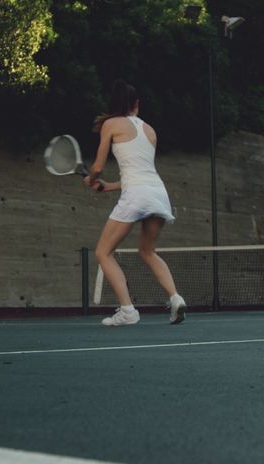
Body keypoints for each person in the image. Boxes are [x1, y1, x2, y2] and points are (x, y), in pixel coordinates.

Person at [84, 79, 186, 326]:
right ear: (136, 104)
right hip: (158, 193)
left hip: (137, 194)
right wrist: (109, 186)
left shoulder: (111, 124)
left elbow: (98, 166)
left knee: (103, 252)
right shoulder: (150, 130)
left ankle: (128, 310)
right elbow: (140, 172)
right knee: (148, 251)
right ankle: (176, 298)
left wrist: (91, 178)